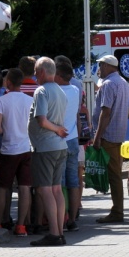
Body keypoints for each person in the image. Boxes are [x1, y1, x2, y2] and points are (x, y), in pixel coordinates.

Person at [27, 58, 70, 246]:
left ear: (43, 72)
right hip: (60, 147)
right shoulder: (61, 91)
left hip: (45, 147)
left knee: (45, 190)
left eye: (36, 71)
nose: (35, 75)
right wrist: (59, 130)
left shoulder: (42, 90)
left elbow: (42, 120)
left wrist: (56, 130)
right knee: (56, 190)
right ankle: (59, 231)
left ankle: (54, 233)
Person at [0, 68, 34, 235]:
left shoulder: (1, 101)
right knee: (25, 187)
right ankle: (21, 225)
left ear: (8, 82)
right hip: (26, 148)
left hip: (8, 149)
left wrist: (5, 130)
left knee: (2, 187)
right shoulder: (30, 100)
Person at [93, 55, 129, 223]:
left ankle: (117, 211)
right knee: (114, 173)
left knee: (114, 175)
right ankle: (117, 210)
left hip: (108, 135)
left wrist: (97, 136)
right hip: (117, 134)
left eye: (100, 65)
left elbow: (105, 112)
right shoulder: (122, 82)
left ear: (108, 66)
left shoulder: (108, 84)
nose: (99, 69)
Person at [55, 60, 83, 231]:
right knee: (73, 182)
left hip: (59, 139)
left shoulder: (56, 92)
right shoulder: (75, 89)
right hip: (73, 138)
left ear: (58, 75)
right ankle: (72, 219)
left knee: (61, 183)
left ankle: (62, 218)